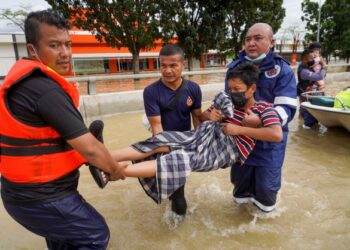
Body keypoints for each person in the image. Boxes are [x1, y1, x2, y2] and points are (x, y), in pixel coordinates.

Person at [0, 10, 125, 250]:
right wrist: (115, 170)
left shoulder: (28, 85)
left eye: (68, 44)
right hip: (42, 197)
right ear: (32, 50)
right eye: (54, 45)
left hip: (24, 196)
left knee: (64, 243)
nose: (65, 53)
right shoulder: (43, 90)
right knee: (95, 234)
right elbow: (90, 149)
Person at [105, 62, 282, 205]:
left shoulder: (264, 109)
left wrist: (240, 129)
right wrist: (210, 115)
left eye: (237, 89)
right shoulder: (225, 101)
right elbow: (202, 117)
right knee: (161, 140)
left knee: (179, 160)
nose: (232, 93)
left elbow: (276, 135)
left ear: (252, 89)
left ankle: (118, 171)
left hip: (221, 151)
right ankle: (104, 157)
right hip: (201, 136)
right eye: (230, 89)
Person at [225, 23, 297, 213]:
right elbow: (228, 101)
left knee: (266, 192)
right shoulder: (234, 68)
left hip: (269, 145)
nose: (251, 43)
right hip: (240, 143)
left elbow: (287, 108)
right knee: (240, 190)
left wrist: (261, 120)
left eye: (258, 38)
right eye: (248, 39)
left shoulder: (282, 71)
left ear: (271, 42)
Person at [142, 44, 203, 215]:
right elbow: (156, 126)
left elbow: (197, 116)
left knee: (176, 187)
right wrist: (166, 155)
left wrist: (199, 144)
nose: (167, 70)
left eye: (173, 65)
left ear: (183, 64)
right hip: (165, 145)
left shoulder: (193, 89)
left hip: (186, 143)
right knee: (179, 197)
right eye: (163, 65)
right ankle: (179, 223)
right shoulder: (151, 92)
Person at [297, 49, 326, 128]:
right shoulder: (303, 71)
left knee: (307, 113)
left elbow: (321, 76)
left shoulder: (309, 67)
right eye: (312, 58)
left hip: (309, 95)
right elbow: (319, 76)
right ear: (305, 59)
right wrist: (323, 68)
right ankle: (305, 132)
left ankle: (302, 128)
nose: (314, 60)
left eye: (315, 57)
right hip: (306, 95)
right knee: (309, 115)